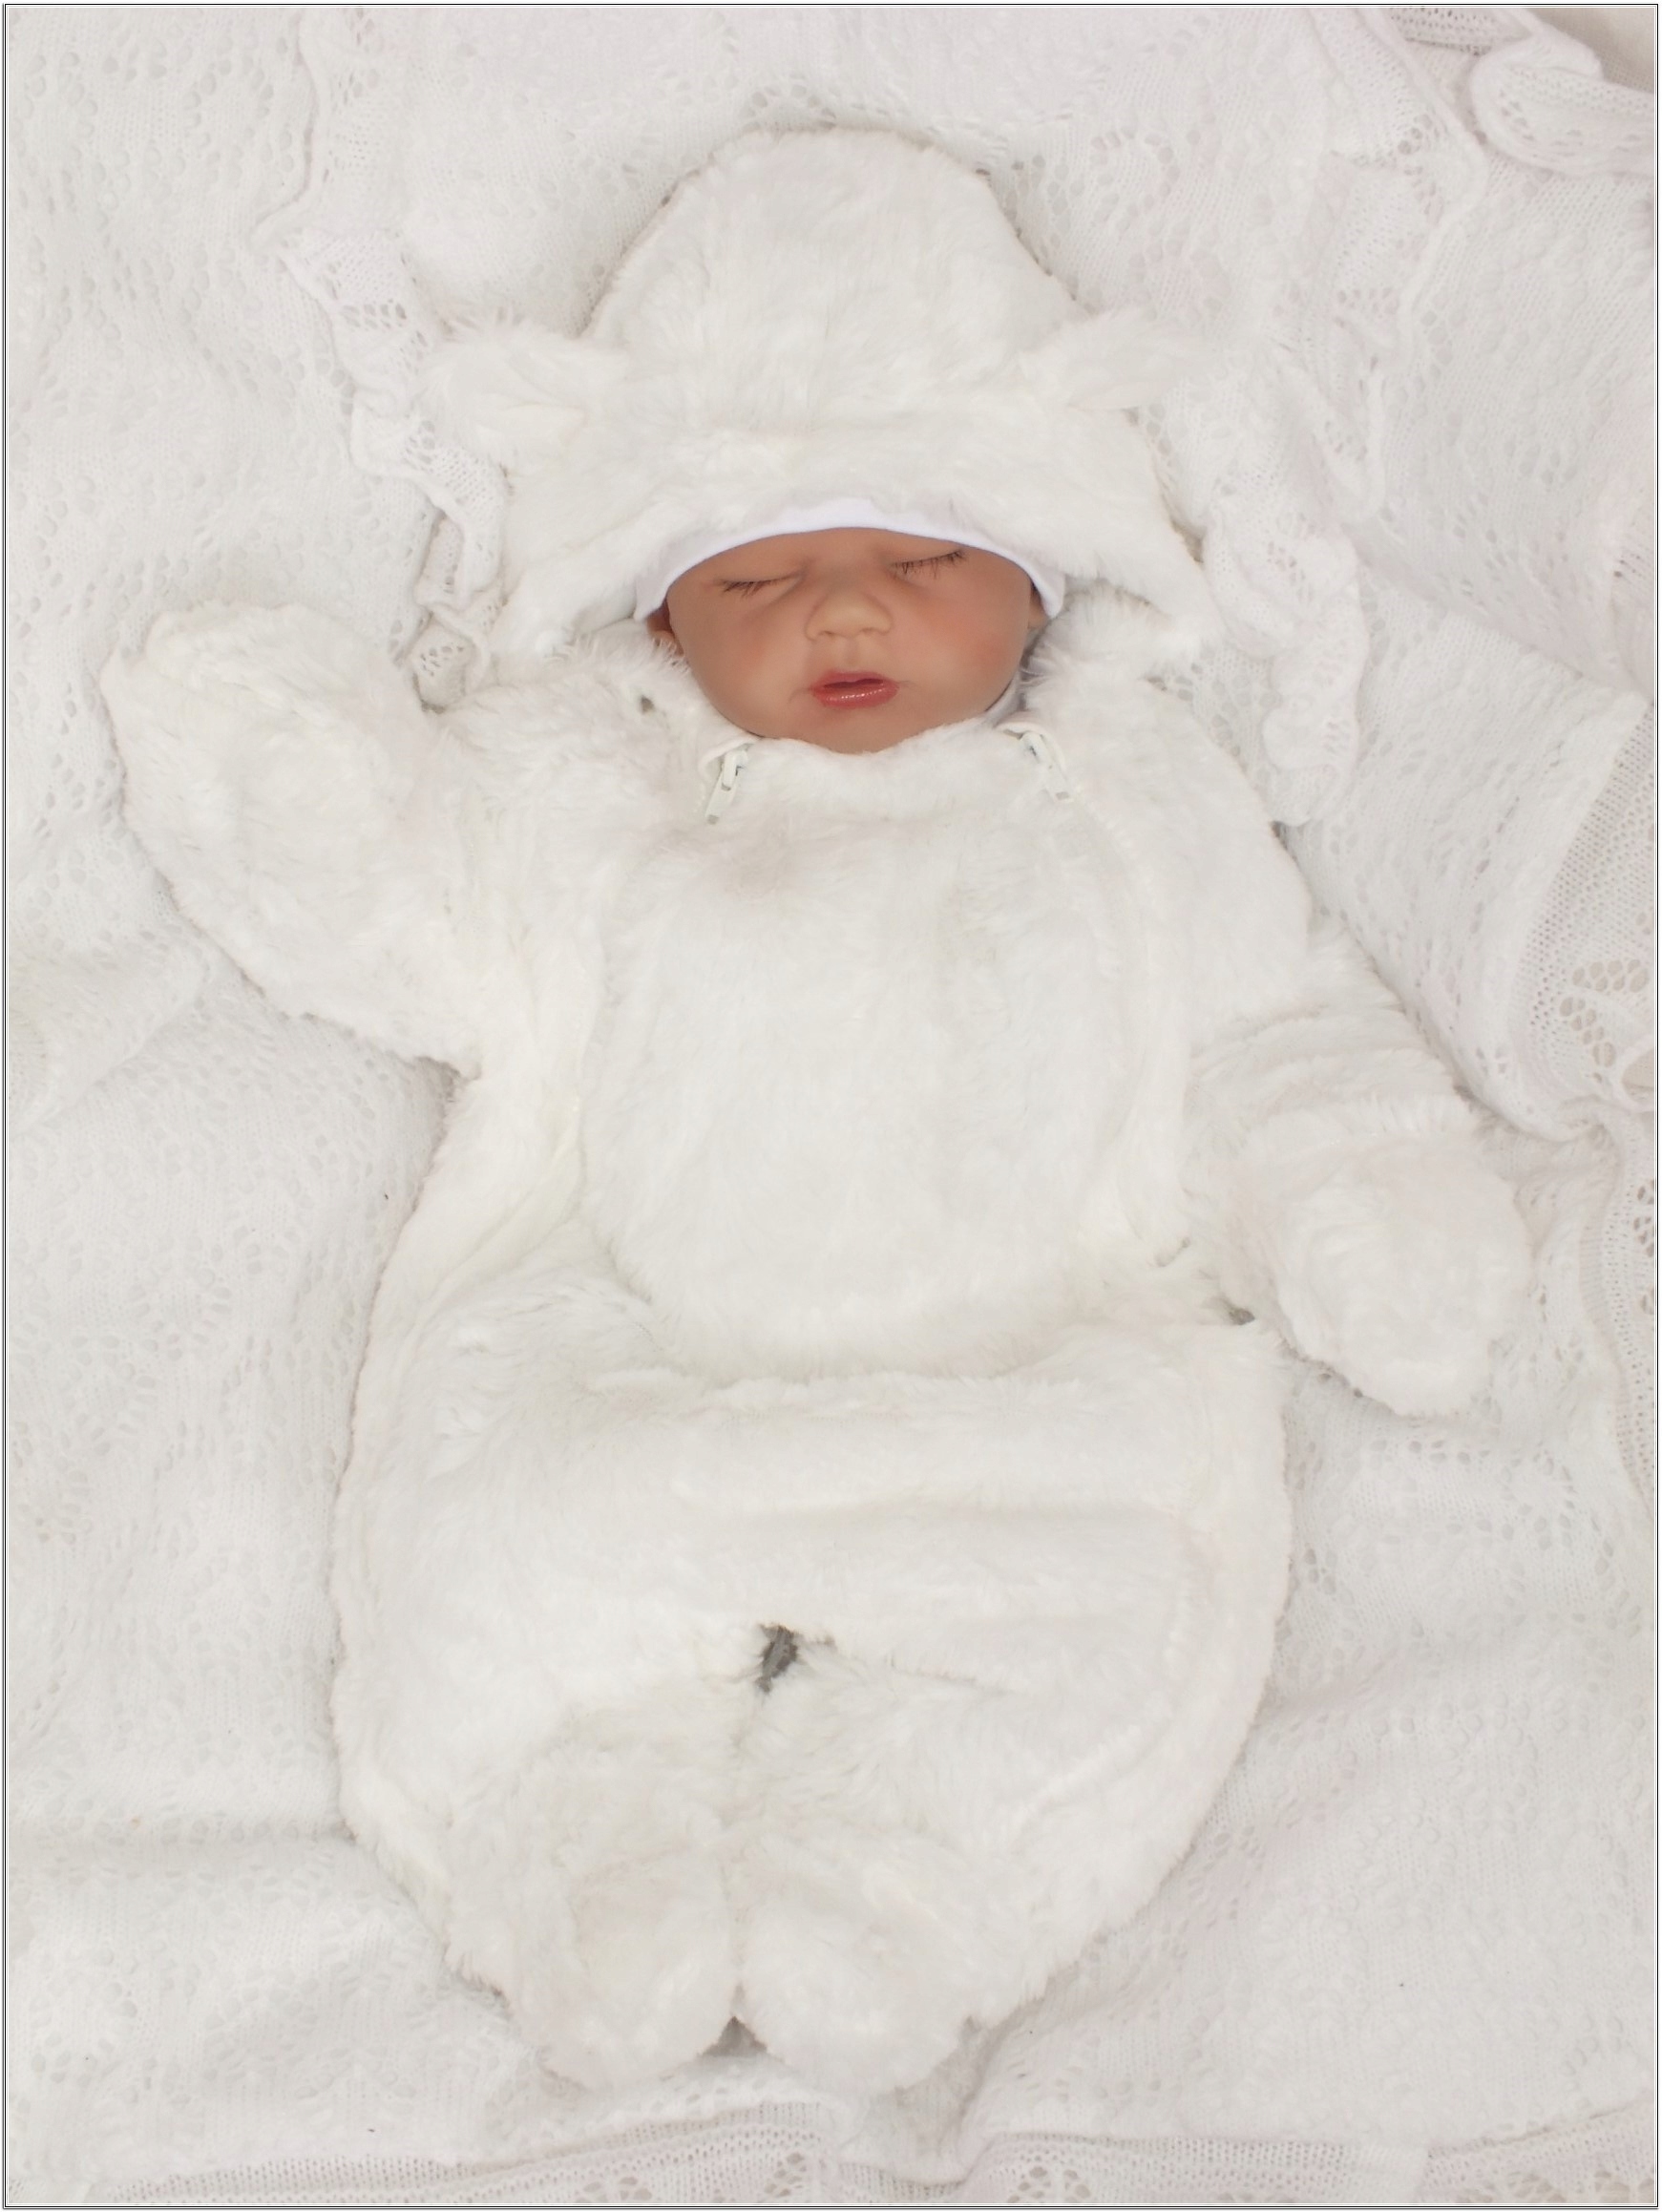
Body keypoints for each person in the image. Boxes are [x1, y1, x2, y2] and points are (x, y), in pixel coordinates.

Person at [97, 128, 1529, 2097]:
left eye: (925, 559)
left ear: (1043, 575)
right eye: (758, 572)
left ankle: (906, 1875)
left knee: (1119, 1593)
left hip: (1023, 1384)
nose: (844, 613)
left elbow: (1271, 1024)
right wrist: (307, 792)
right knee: (499, 1549)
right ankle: (579, 1849)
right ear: (654, 615)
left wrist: (1355, 1191)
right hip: (630, 1350)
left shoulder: (1130, 795)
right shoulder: (593, 779)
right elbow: (429, 914)